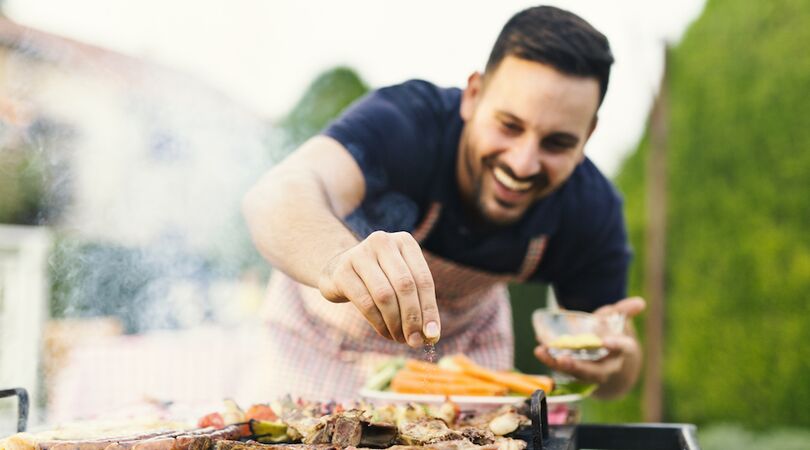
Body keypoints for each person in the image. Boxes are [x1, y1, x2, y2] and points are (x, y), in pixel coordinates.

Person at [242, 5, 645, 402]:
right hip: (320, 346)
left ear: (588, 134)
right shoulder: (407, 123)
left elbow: (618, 376)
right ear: (473, 95)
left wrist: (612, 365)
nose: (522, 164)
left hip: (463, 362)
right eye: (509, 125)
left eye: (557, 143)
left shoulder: (590, 207)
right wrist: (336, 263)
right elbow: (276, 195)